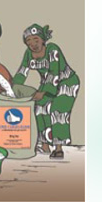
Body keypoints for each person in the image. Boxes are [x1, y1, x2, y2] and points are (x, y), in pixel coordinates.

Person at [13, 24, 80, 159]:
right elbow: (22, 72)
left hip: (67, 82)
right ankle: (44, 144)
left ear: (43, 39)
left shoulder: (52, 50)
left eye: (36, 40)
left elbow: (54, 72)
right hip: (47, 83)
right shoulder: (28, 54)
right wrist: (12, 89)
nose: (33, 44)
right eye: (29, 42)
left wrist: (43, 92)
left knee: (57, 110)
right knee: (39, 108)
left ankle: (58, 148)